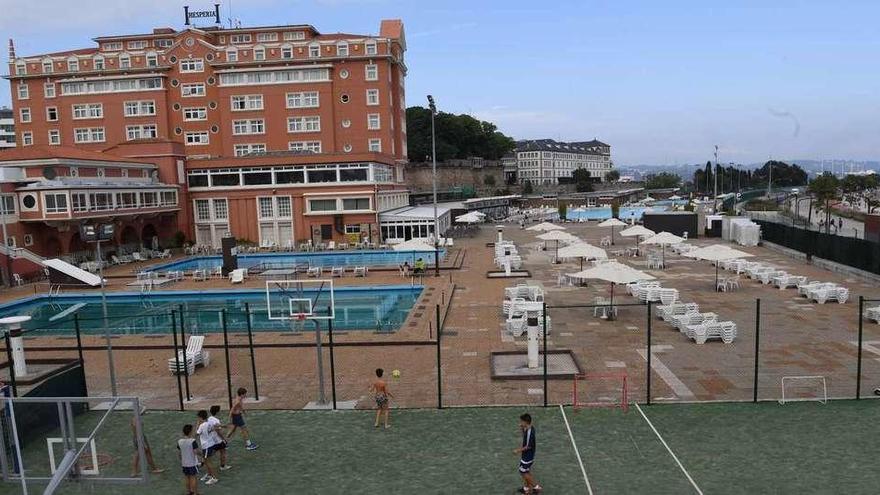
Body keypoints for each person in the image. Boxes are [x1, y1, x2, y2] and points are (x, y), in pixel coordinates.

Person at [130, 407, 165, 477]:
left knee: (143, 453)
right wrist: (143, 443)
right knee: (138, 454)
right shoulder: (135, 420)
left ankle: (152, 468)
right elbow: (137, 432)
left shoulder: (135, 418)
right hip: (139, 438)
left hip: (140, 437)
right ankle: (134, 471)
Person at [514, 413, 542, 493]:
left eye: (522, 421)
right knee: (526, 471)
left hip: (527, 456)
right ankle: (526, 489)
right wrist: (522, 429)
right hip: (527, 455)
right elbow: (524, 437)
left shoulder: (530, 432)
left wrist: (518, 450)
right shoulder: (528, 428)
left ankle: (537, 487)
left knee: (522, 471)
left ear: (526, 422)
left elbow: (528, 446)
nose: (520, 422)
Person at [196, 410, 219, 485]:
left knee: (208, 462)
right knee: (206, 461)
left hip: (206, 446)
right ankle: (209, 474)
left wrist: (198, 424)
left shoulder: (201, 426)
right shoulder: (209, 423)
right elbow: (212, 429)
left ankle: (214, 478)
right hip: (210, 444)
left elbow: (197, 433)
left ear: (200, 417)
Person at [178, 424, 201, 495]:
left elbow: (179, 454)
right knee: (193, 477)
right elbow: (196, 452)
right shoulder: (192, 441)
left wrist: (182, 459)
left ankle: (189, 492)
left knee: (187, 477)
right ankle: (195, 493)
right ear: (190, 432)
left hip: (184, 463)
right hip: (192, 463)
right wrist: (202, 455)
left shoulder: (179, 441)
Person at [208, 405, 232, 470]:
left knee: (212, 453)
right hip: (218, 440)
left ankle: (202, 462)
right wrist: (224, 439)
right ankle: (223, 466)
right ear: (217, 412)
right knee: (223, 452)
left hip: (211, 439)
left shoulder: (209, 419)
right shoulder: (216, 420)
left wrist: (224, 426)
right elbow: (218, 431)